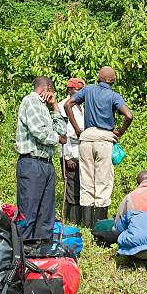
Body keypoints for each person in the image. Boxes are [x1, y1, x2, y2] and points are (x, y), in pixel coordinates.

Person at [65, 66, 133, 228]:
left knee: (87, 181)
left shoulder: (88, 90)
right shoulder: (113, 96)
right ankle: (100, 225)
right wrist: (120, 132)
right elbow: (129, 115)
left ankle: (87, 226)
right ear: (113, 81)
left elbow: (69, 104)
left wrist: (77, 129)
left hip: (86, 138)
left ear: (98, 79)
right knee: (103, 182)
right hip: (104, 139)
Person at [15, 76, 67, 241]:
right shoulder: (31, 101)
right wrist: (58, 139)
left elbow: (62, 130)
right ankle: (23, 253)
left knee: (46, 214)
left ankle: (42, 252)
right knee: (28, 213)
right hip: (32, 163)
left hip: (46, 164)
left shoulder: (45, 107)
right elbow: (40, 133)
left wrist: (55, 106)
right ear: (48, 88)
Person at [59, 78, 85, 224]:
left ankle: (78, 219)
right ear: (70, 90)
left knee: (80, 184)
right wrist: (67, 156)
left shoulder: (81, 107)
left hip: (81, 151)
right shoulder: (63, 106)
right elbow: (62, 133)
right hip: (69, 151)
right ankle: (72, 220)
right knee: (71, 185)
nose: (80, 94)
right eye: (77, 91)